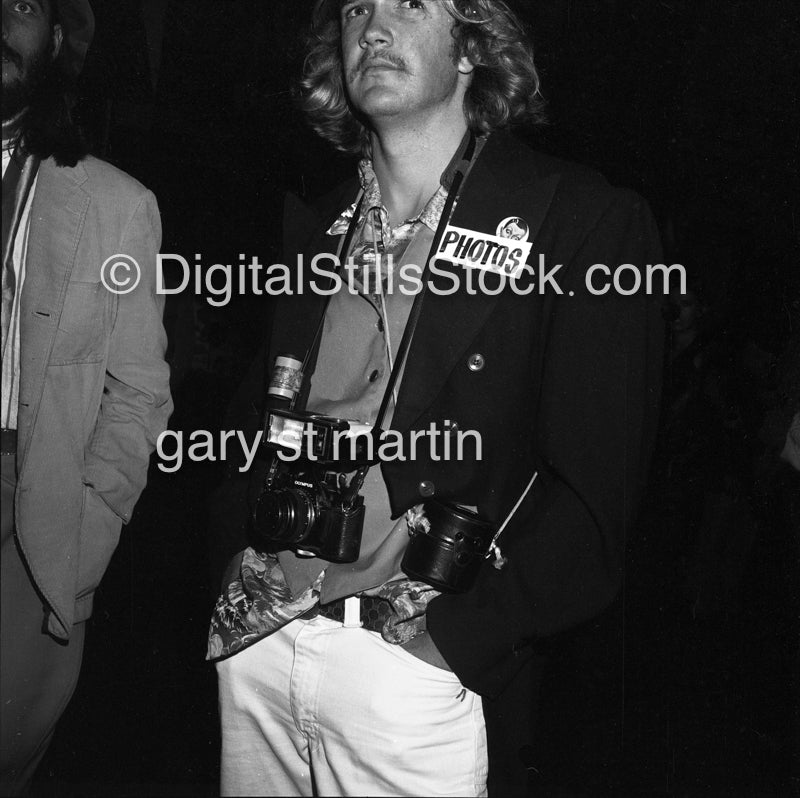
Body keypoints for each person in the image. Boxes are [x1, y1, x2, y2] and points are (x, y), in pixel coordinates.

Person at [207, 1, 663, 795]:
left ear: (471, 47)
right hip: (261, 645)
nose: (373, 28)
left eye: (409, 3)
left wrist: (454, 642)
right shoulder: (318, 229)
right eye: (356, 9)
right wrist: (231, 559)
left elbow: (598, 498)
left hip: (414, 675)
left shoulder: (577, 220)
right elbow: (252, 421)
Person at [0, 0, 172, 792]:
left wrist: (80, 539)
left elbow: (138, 395)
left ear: (59, 42)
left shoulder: (113, 205)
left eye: (24, 6)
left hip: (30, 526)